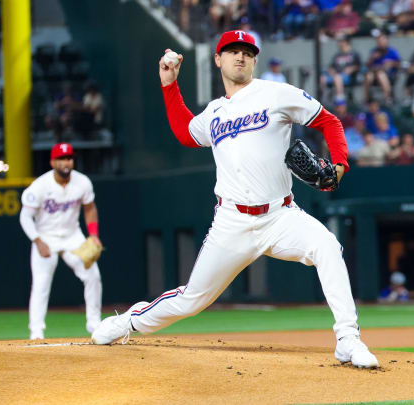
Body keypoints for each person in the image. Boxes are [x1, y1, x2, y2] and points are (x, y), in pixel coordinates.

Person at [91, 30, 379, 369]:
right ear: (218, 59)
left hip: (280, 216)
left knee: (328, 247)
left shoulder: (277, 94)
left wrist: (341, 162)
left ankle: (348, 340)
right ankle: (128, 322)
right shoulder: (214, 113)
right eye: (231, 51)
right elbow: (186, 133)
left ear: (255, 60)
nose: (239, 57)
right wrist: (169, 86)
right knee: (191, 301)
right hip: (232, 222)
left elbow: (329, 122)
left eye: (246, 52)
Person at [19, 143, 104, 340]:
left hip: (73, 236)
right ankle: (36, 332)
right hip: (45, 236)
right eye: (62, 159)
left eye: (69, 158)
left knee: (93, 276)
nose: (66, 162)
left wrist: (93, 234)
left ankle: (94, 323)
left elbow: (89, 208)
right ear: (52, 162)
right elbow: (25, 217)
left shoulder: (82, 182)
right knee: (41, 283)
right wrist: (37, 240)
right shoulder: (40, 186)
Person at [363, 33, 400, 102]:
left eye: (383, 41)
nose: (381, 43)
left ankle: (387, 97)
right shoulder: (374, 51)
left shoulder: (392, 51)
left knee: (380, 74)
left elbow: (398, 64)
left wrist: (391, 63)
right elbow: (367, 65)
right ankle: (367, 98)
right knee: (368, 76)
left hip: (388, 74)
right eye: (379, 41)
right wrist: (372, 58)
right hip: (374, 74)